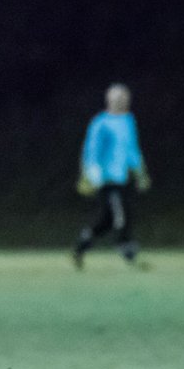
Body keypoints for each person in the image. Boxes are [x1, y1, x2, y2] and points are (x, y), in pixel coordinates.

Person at [72, 83, 151, 269]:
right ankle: (127, 248)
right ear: (109, 100)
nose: (121, 101)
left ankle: (81, 245)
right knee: (121, 213)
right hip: (105, 179)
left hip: (121, 178)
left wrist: (140, 172)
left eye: (124, 98)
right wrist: (89, 174)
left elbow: (132, 149)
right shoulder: (101, 122)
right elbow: (91, 151)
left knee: (106, 220)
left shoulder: (128, 121)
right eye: (117, 98)